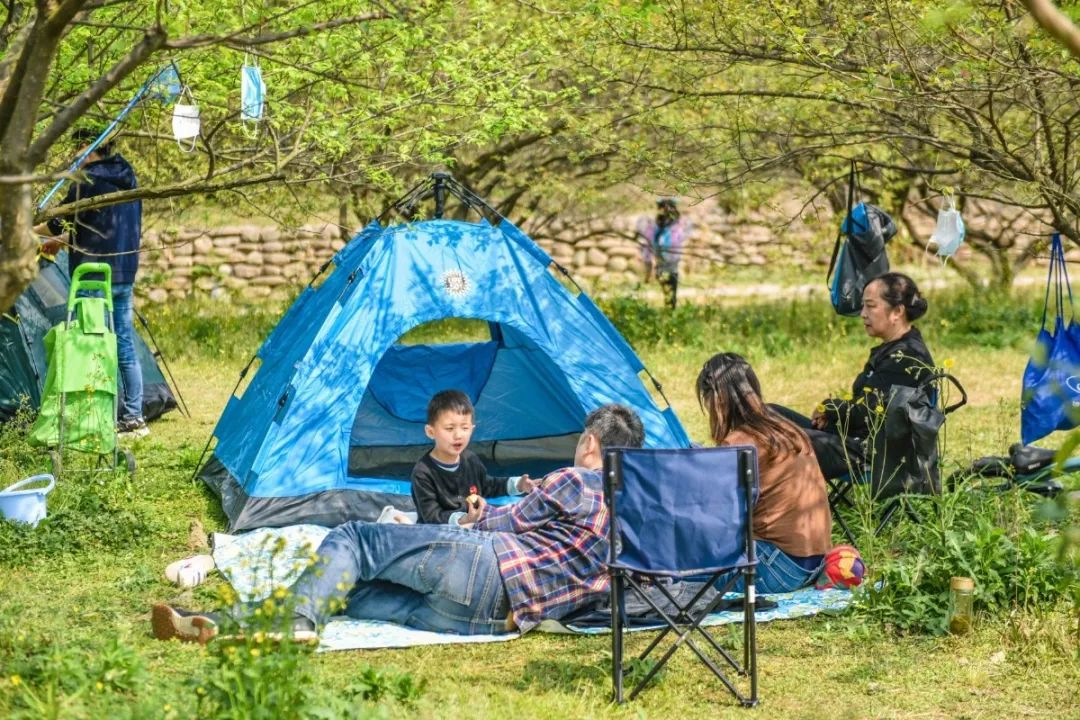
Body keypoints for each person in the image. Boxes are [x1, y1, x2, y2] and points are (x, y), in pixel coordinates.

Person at [151, 403, 646, 643]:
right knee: (341, 590)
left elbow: (508, 524)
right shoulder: (631, 522)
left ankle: (297, 621)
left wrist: (477, 515)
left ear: (590, 444)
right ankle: (219, 623)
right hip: (489, 622)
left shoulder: (580, 481)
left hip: (485, 567)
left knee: (353, 541)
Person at [35, 127, 147, 437]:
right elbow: (97, 224)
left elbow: (61, 220)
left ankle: (91, 415)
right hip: (124, 272)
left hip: (93, 276)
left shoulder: (87, 181)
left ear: (88, 147)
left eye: (76, 149)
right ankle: (133, 416)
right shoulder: (127, 176)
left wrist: (28, 229)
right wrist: (62, 239)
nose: (73, 157)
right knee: (123, 342)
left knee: (89, 343)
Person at [773, 272, 934, 479]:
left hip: (870, 454)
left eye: (871, 306)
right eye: (864, 306)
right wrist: (833, 416)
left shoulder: (905, 357)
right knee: (764, 414)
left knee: (775, 436)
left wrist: (830, 408)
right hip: (851, 439)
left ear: (897, 312)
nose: (863, 314)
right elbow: (868, 406)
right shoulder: (891, 349)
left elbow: (871, 414)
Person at [697, 352, 832, 593]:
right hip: (816, 562)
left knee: (676, 570)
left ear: (717, 400)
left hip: (778, 568)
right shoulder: (787, 428)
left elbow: (718, 519)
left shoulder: (738, 443)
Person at [410, 389, 535, 525]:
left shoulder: (470, 459)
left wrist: (518, 485)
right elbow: (431, 516)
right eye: (450, 428)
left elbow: (488, 485)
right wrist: (464, 519)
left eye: (464, 428)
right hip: (439, 533)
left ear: (472, 429)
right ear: (430, 432)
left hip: (473, 527)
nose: (458, 435)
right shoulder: (423, 473)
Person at [636, 197, 690, 309]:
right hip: (663, 262)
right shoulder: (658, 225)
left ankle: (670, 308)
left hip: (669, 262)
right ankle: (670, 308)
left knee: (670, 288)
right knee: (668, 287)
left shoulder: (674, 225)